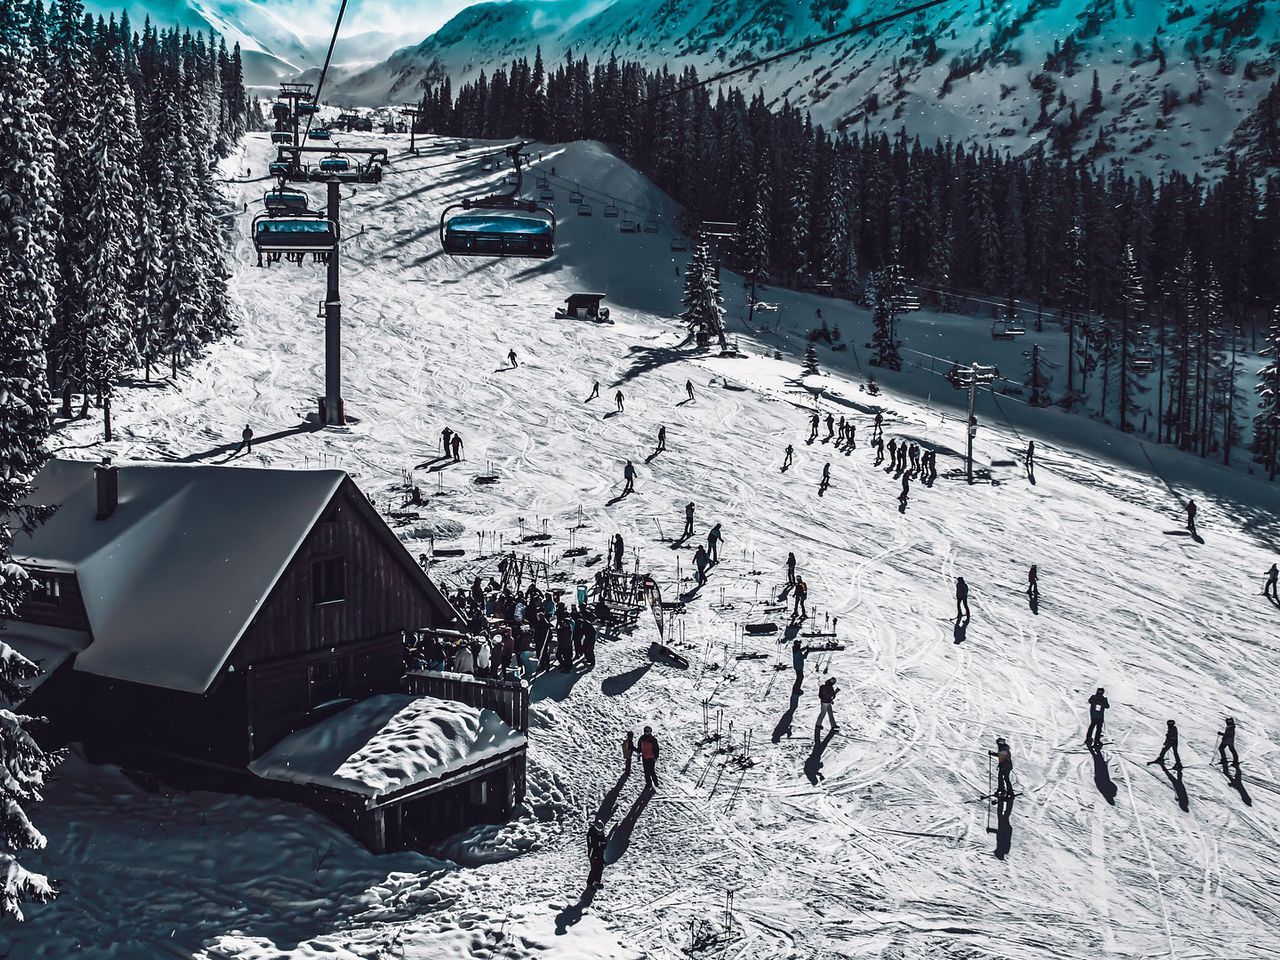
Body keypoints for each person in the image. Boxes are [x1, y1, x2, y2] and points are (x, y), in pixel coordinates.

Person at [586, 818, 607, 889]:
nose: (601, 832)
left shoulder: (601, 833)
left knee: (600, 866)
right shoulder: (591, 833)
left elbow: (604, 842)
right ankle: (590, 883)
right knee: (594, 867)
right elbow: (592, 844)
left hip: (600, 851)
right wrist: (599, 844)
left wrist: (602, 844)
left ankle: (597, 881)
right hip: (593, 852)